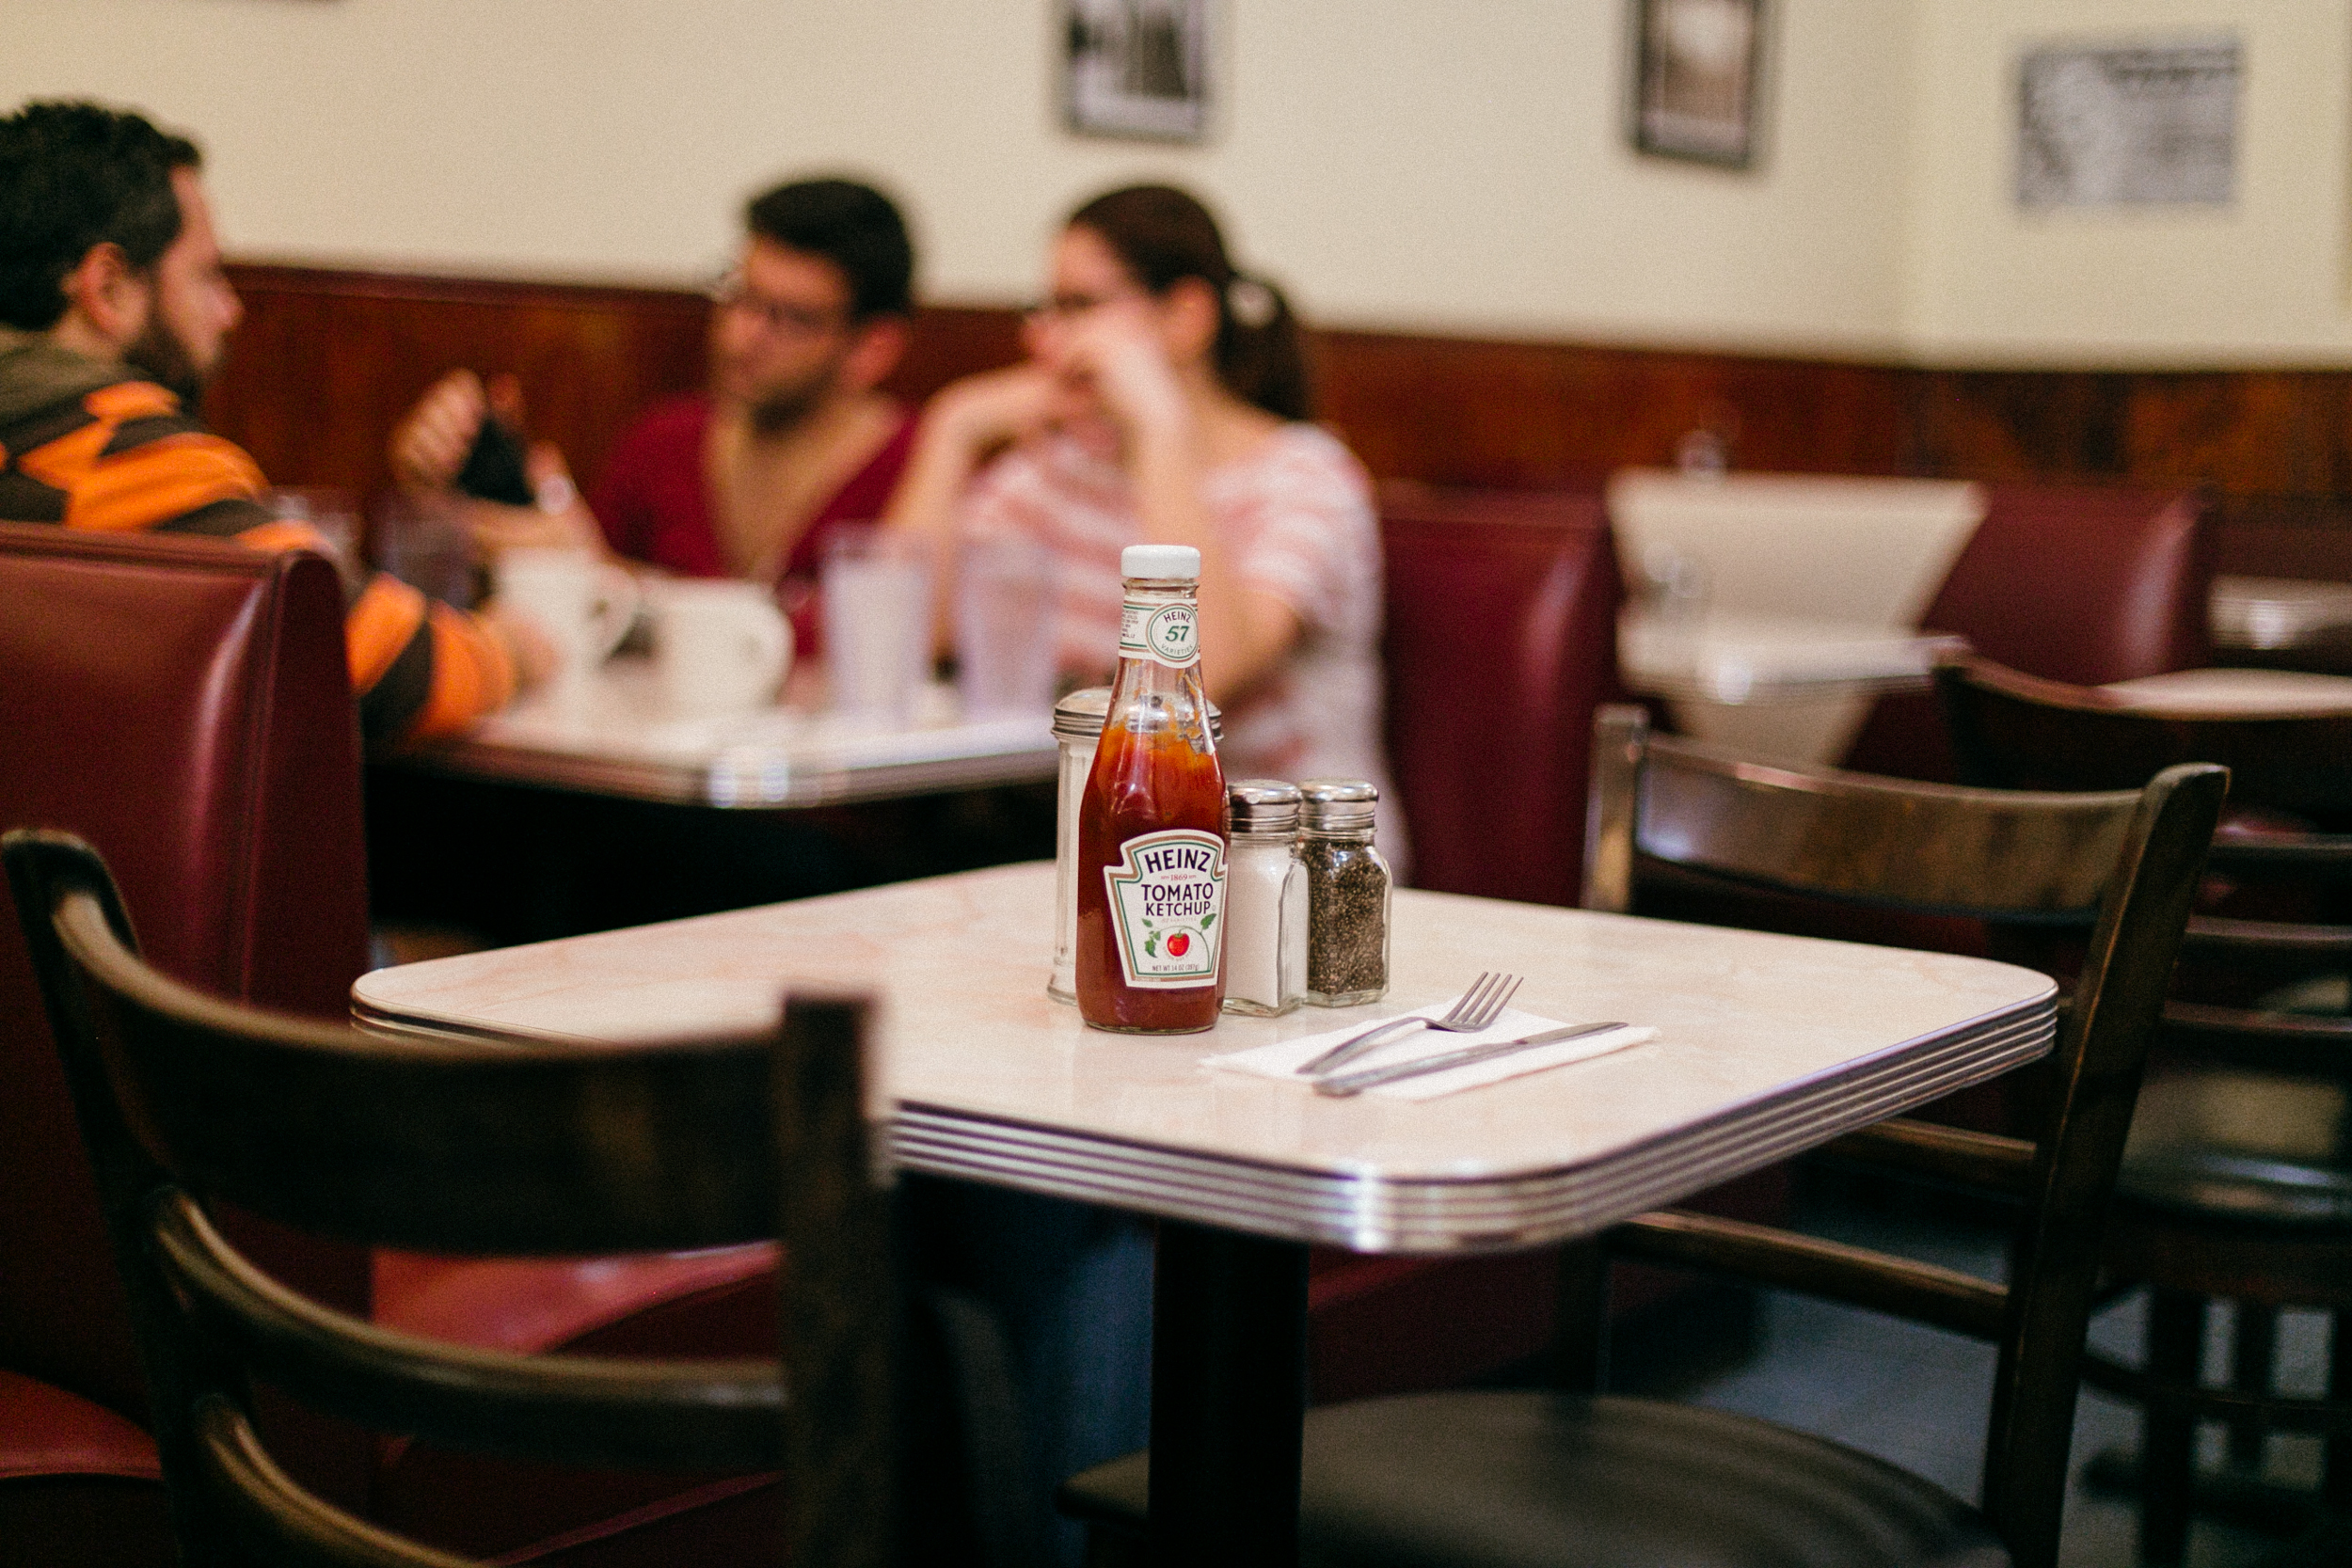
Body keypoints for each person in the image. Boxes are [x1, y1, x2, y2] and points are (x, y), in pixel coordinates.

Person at [0, 100, 539, 746]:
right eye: (206, 276)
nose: (230, 311)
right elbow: (398, 670)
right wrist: (511, 647)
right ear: (109, 289)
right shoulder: (111, 458)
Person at [885, 182, 1398, 811]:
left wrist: (1158, 427)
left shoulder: (1305, 476)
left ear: (1186, 316)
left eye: (1077, 306)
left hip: (1272, 855)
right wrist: (951, 429)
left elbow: (1206, 677)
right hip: (1093, 829)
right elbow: (900, 636)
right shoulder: (1061, 471)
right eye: (1042, 309)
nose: (1044, 341)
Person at [391, 178, 918, 649]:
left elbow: (869, 642)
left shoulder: (916, 469)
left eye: (790, 318)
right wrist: (469, 496)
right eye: (739, 295)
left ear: (872, 348)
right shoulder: (664, 441)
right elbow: (572, 612)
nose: (742, 335)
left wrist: (611, 581)